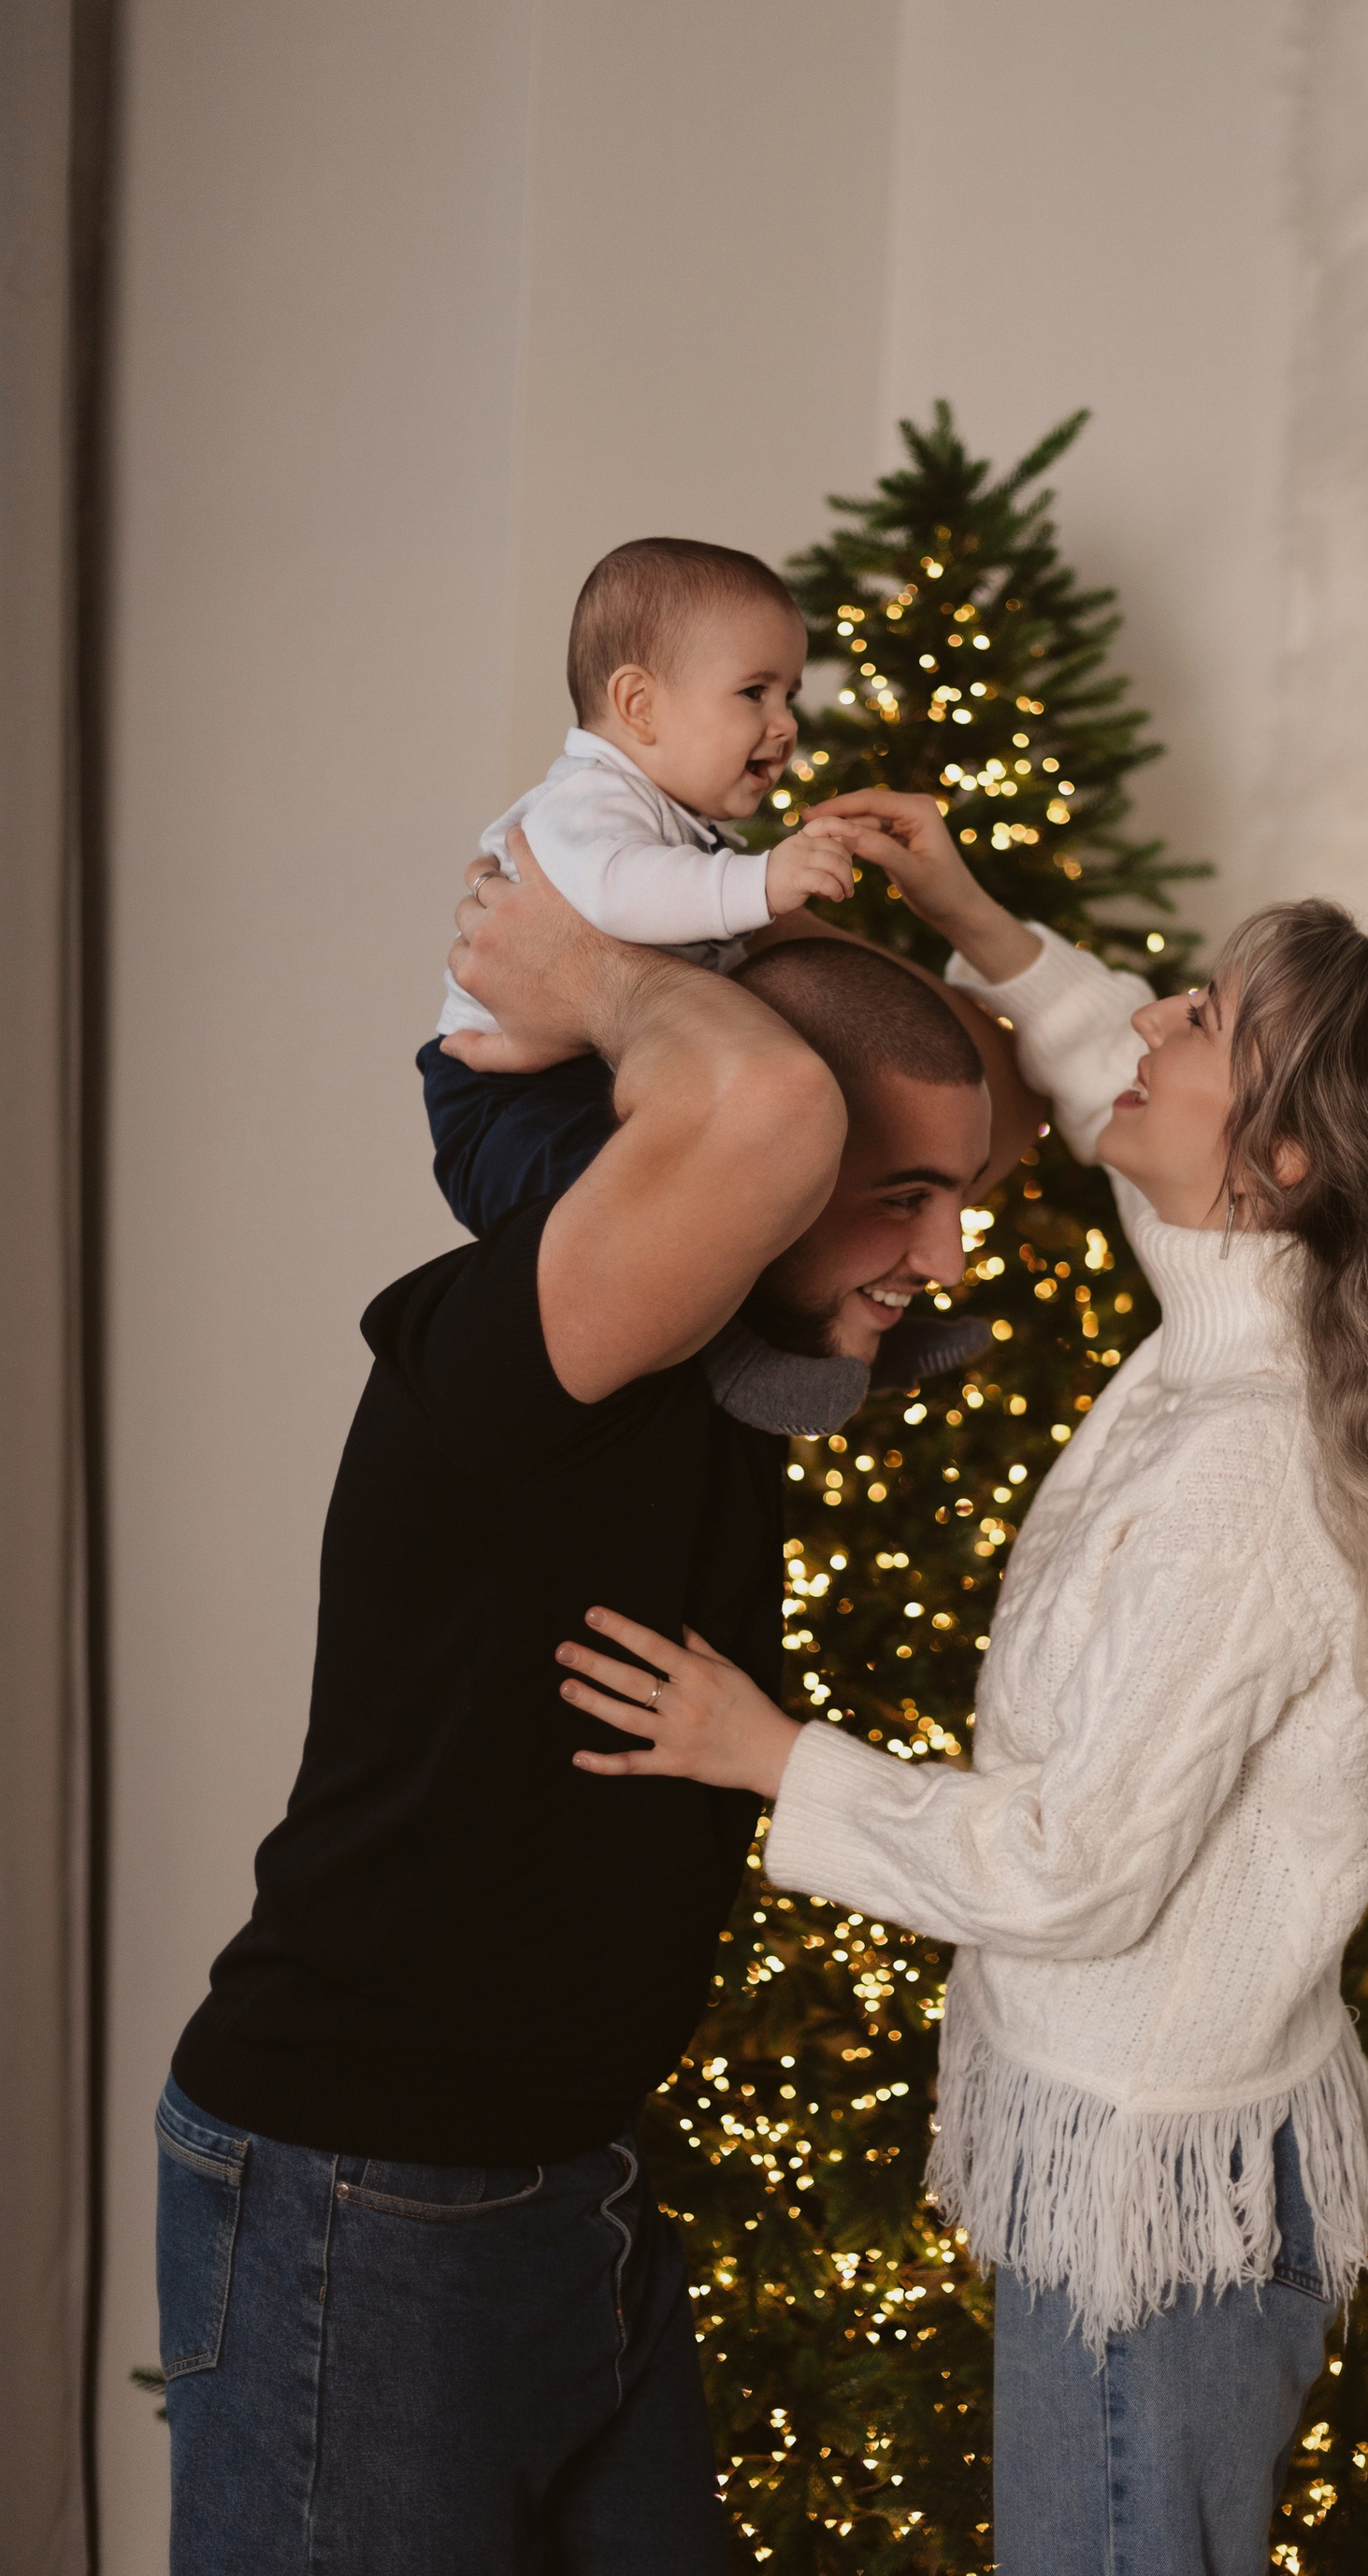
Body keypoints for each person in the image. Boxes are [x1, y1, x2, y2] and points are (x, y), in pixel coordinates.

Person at [546, 791, 1368, 2575]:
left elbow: (1077, 1869)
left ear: (1286, 1161)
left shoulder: (1256, 1466)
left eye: (1208, 1020)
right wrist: (974, 914)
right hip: (1146, 2156)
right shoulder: (1254, 1290)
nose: (1157, 1017)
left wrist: (776, 1758)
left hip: (1154, 2212)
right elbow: (1121, 1077)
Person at [154, 835, 995, 2576]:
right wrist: (595, 969)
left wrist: (925, 924)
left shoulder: (738, 1361)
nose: (950, 1254)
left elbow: (918, 1092)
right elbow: (768, 1098)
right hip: (365, 2200)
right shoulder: (545, 1339)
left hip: (579, 2184)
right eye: (903, 1194)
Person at [437, 536, 851, 1042]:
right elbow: (621, 892)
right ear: (639, 705)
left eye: (790, 698)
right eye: (754, 692)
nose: (786, 725)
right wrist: (760, 882)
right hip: (506, 1074)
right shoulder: (591, 796)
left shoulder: (666, 811)